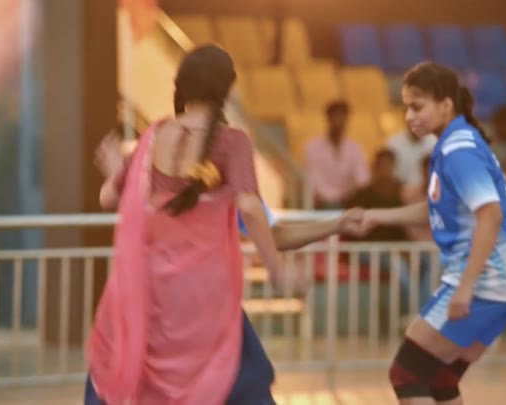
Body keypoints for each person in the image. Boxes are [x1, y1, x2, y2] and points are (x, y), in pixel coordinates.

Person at [86, 45, 361, 405]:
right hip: (203, 300)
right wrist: (279, 274)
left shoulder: (152, 139)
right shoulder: (232, 143)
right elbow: (252, 210)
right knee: (241, 385)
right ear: (227, 90)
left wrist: (116, 171)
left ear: (181, 86)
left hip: (150, 296)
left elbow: (109, 198)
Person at [353, 62, 506, 405]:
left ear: (446, 104)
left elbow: (490, 214)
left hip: (490, 281)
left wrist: (466, 287)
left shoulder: (458, 152)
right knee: (441, 378)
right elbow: (439, 207)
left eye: (417, 106)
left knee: (407, 373)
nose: (409, 116)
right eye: (406, 107)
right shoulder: (454, 144)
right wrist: (378, 216)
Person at [305, 100, 370, 209]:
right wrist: (335, 198)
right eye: (336, 117)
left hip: (349, 200)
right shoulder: (312, 147)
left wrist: (352, 193)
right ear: (328, 119)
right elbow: (315, 180)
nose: (339, 121)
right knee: (332, 205)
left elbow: (362, 178)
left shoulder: (355, 148)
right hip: (324, 202)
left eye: (343, 117)